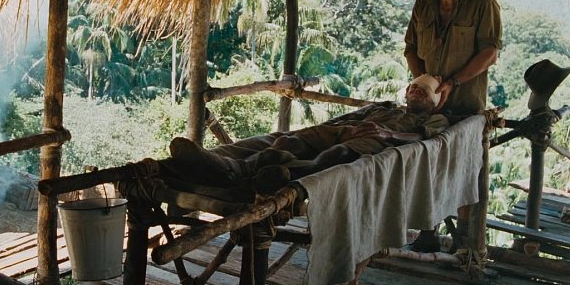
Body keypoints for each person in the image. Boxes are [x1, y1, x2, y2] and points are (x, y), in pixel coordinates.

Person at [170, 74, 449, 192]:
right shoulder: (385, 106)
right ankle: (237, 168)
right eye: (414, 87)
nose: (416, 92)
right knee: (289, 140)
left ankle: (287, 176)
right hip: (347, 129)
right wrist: (331, 127)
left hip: (375, 140)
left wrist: (388, 134)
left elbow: (424, 138)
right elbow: (353, 116)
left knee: (337, 154)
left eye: (423, 91)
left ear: (433, 102)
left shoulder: (435, 119)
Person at [403, 0, 502, 252]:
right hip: (430, 105)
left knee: (464, 171)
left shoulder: (483, 4)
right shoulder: (423, 4)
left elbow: (489, 53)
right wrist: (424, 82)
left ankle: (464, 242)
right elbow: (411, 48)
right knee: (426, 168)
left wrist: (452, 83)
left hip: (466, 105)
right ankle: (427, 232)